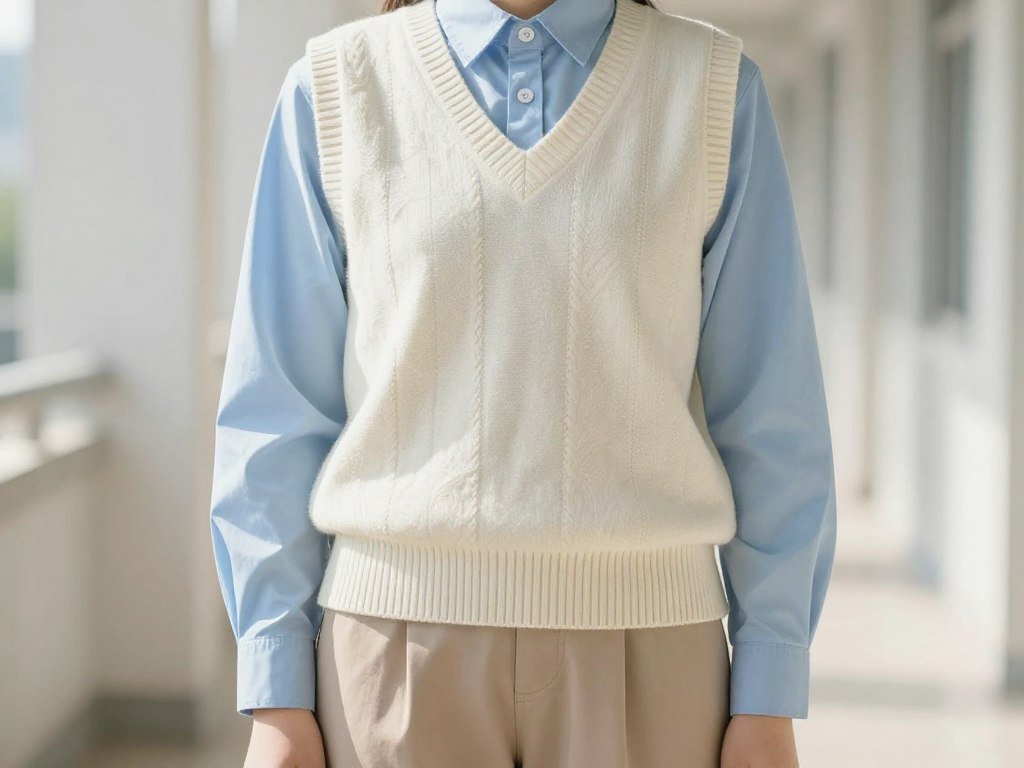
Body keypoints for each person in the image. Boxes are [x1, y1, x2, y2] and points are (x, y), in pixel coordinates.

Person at [209, 0, 838, 766]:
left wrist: (771, 688)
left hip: (656, 657)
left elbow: (773, 415)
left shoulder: (713, 90)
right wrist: (275, 688)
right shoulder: (334, 89)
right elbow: (274, 411)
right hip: (389, 654)